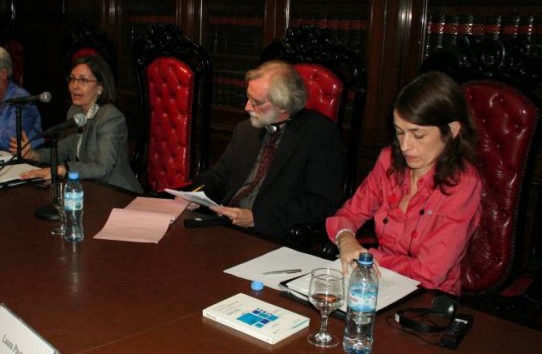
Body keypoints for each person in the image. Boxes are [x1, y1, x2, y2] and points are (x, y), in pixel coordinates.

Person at [327, 71, 482, 296]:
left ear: (452, 131)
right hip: (380, 282)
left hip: (428, 298)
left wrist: (369, 257)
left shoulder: (463, 184)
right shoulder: (389, 160)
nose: (405, 146)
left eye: (418, 135)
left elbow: (430, 273)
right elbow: (348, 215)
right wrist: (346, 239)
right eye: (400, 133)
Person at [192, 60, 342, 241]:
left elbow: (319, 204)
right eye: (248, 98)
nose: (247, 107)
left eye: (256, 102)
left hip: (271, 235)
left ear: (283, 105)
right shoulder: (246, 129)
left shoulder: (318, 134)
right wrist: (193, 195)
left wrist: (257, 219)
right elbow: (219, 175)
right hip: (226, 226)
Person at [12, 54, 143, 194]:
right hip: (88, 188)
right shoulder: (74, 111)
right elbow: (61, 152)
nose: (74, 86)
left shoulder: (111, 118)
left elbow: (103, 169)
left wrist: (64, 169)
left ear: (100, 87)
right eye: (72, 79)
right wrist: (34, 155)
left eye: (83, 80)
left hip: (117, 193)